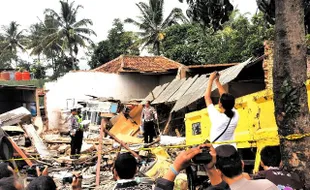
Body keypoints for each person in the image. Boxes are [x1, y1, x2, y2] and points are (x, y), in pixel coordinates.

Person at [155, 144, 278, 190]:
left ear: (219, 171)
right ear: (242, 164)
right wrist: (210, 168)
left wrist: (175, 167)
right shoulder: (269, 185)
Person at [204, 72, 239, 147]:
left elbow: (207, 97)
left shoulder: (217, 117)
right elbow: (224, 95)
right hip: (232, 150)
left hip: (219, 152)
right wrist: (217, 81)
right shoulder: (236, 114)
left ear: (220, 105)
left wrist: (210, 79)